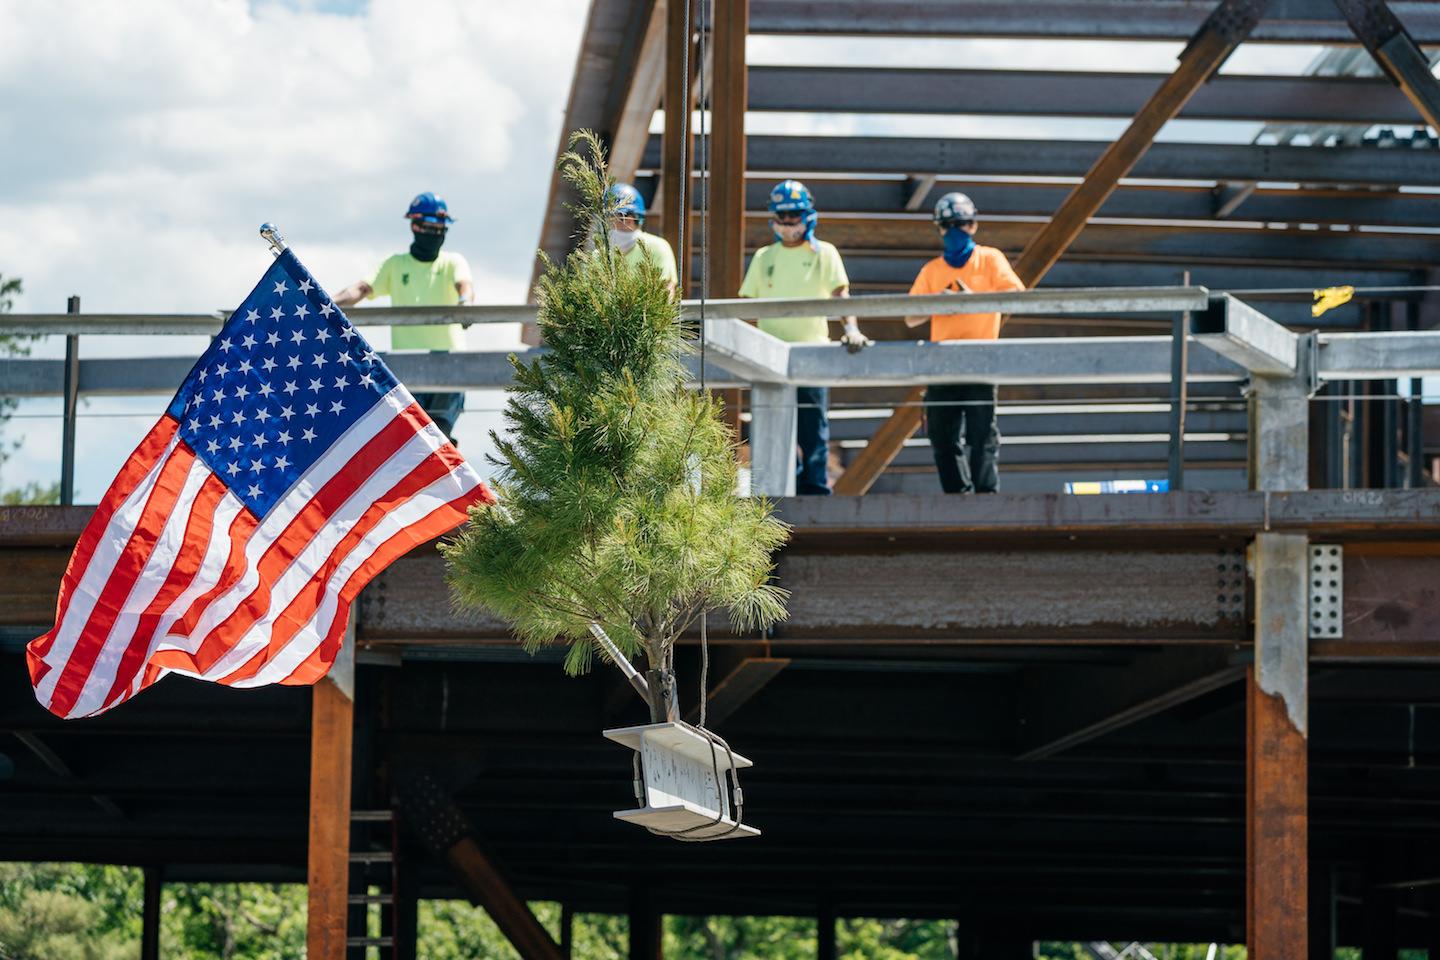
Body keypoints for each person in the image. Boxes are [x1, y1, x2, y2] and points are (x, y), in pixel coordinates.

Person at [739, 179, 871, 495]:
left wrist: (851, 328)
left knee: (813, 427)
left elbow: (841, 295)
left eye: (793, 216)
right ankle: (778, 489)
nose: (787, 224)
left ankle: (813, 490)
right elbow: (746, 307)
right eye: (782, 217)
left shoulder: (824, 254)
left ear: (807, 215)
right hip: (769, 355)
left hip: (812, 353)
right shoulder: (764, 258)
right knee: (772, 425)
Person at [905, 192, 1024, 494]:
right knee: (942, 435)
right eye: (950, 224)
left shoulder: (990, 259)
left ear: (974, 225)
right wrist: (939, 304)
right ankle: (957, 495)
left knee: (982, 434)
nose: (956, 230)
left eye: (963, 223)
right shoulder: (933, 270)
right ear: (940, 228)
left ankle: (985, 496)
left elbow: (1016, 296)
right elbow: (910, 316)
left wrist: (975, 300)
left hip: (981, 360)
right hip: (942, 364)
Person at [332, 192, 473, 438]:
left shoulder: (452, 262)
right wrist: (328, 304)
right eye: (431, 228)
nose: (437, 235)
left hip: (448, 366)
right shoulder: (396, 265)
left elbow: (465, 286)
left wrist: (465, 305)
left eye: (441, 229)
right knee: (413, 442)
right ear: (415, 226)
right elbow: (360, 289)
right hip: (409, 369)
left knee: (440, 438)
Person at [606, 183, 678, 292]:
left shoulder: (657, 248)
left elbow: (665, 292)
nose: (610, 223)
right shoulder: (598, 254)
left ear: (632, 220)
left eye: (613, 217)